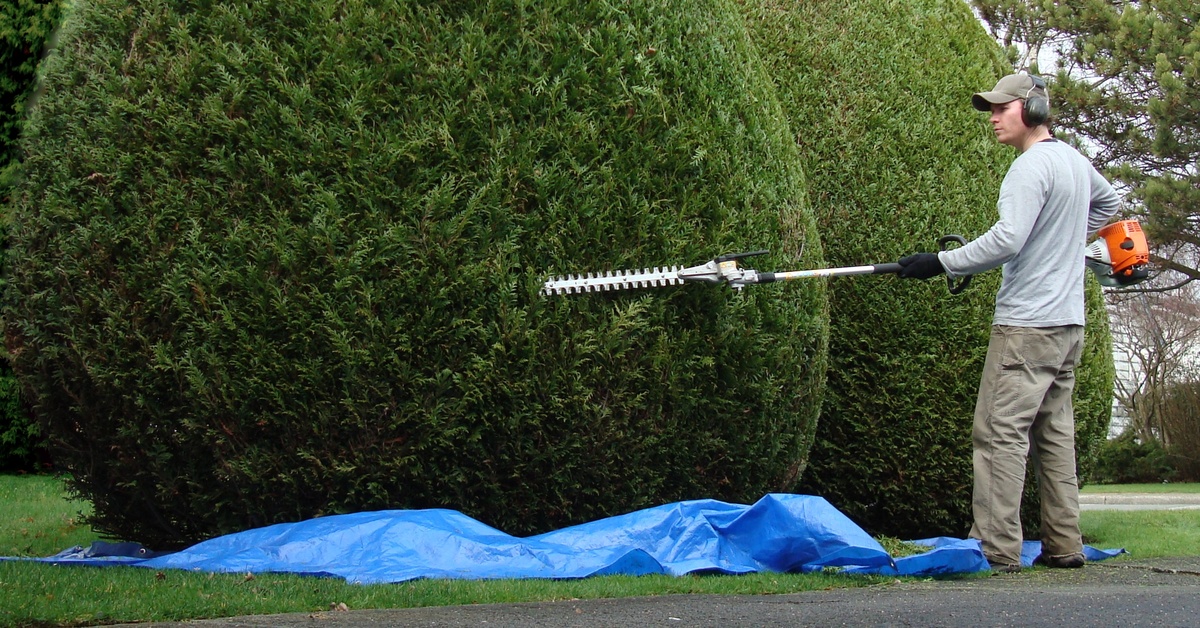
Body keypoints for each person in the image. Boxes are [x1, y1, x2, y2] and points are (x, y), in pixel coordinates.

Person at [895, 73, 1121, 573]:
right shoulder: (1072, 161)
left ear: (1033, 109)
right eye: (990, 110)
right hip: (1067, 328)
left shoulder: (1030, 166)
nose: (993, 118)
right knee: (1054, 435)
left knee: (999, 433)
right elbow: (1109, 205)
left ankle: (996, 548)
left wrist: (942, 261)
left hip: (1027, 326)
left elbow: (1008, 240)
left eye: (1002, 108)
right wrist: (1062, 239)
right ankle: (1065, 546)